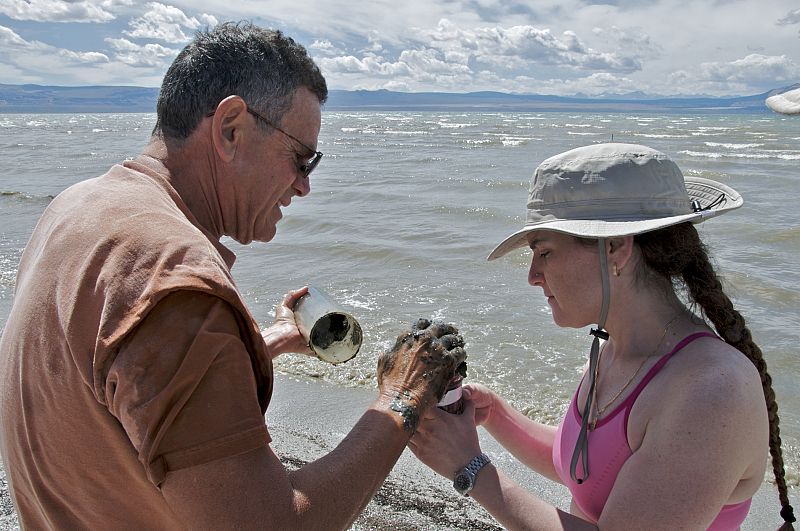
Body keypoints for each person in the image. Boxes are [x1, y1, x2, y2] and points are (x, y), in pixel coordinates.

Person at [0, 22, 465, 529]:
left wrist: (258, 347)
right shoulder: (174, 280)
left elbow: (122, 387)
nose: (305, 186)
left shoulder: (81, 207)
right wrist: (402, 398)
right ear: (230, 129)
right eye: (302, 158)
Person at [409, 143, 796, 530]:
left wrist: (470, 468)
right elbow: (588, 470)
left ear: (614, 248)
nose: (532, 275)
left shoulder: (711, 391)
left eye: (543, 252)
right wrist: (495, 413)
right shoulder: (615, 349)